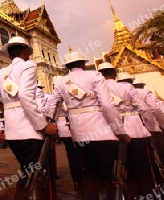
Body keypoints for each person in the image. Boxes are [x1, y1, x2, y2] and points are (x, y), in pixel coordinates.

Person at [0, 36, 58, 200]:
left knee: (28, 172)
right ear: (25, 52)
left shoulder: (1, 73)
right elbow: (24, 95)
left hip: (12, 134)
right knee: (37, 176)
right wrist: (43, 125)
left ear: (9, 56)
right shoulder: (29, 65)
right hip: (29, 130)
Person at [48, 50, 130, 200]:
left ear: (67, 66)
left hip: (80, 135)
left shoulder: (61, 82)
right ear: (82, 64)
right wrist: (119, 130)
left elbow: (52, 108)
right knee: (108, 175)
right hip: (103, 131)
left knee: (89, 173)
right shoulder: (95, 75)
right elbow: (106, 105)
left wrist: (48, 125)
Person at [52, 76, 82, 192]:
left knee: (75, 155)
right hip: (66, 128)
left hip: (73, 127)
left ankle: (78, 180)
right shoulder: (58, 98)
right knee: (74, 155)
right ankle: (77, 180)